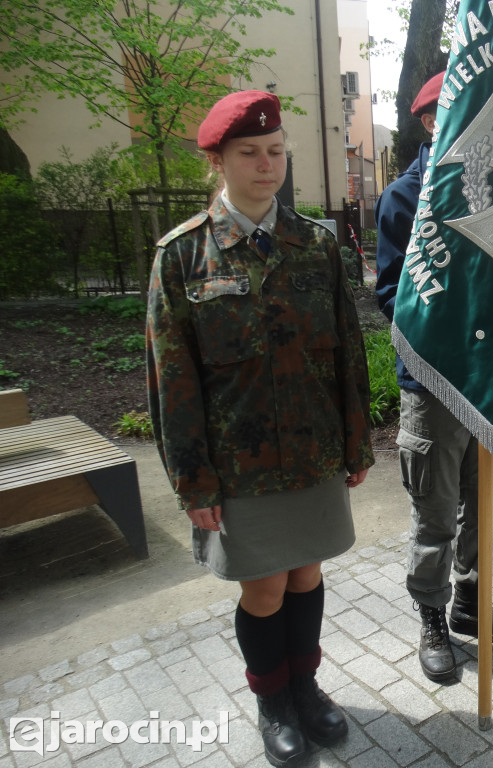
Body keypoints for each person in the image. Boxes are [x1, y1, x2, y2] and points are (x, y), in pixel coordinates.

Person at [146, 91, 374, 767]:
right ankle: (272, 699)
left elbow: (349, 352)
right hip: (239, 464)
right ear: (217, 159)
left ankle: (305, 687)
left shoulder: (317, 245)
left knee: (306, 575)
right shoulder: (183, 256)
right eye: (249, 153)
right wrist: (193, 480)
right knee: (265, 586)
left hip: (313, 450)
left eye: (276, 151)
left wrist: (357, 443)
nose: (266, 164)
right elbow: (172, 379)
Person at [374, 72, 493, 683]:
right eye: (450, 113)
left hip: (485, 386)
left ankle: (470, 603)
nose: (463, 123)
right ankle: (432, 615)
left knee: (483, 508)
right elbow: (391, 294)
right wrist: (455, 338)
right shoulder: (404, 198)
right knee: (436, 512)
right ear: (429, 120)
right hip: (434, 385)